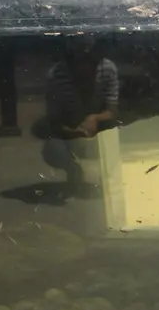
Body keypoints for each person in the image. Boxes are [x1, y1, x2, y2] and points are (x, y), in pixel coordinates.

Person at [40, 37, 120, 197]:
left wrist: (95, 119)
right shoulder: (57, 75)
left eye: (89, 49)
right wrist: (72, 130)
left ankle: (108, 176)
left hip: (99, 127)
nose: (85, 54)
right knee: (52, 149)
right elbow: (53, 116)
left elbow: (112, 110)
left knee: (112, 140)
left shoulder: (107, 69)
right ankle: (72, 168)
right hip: (69, 127)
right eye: (80, 49)